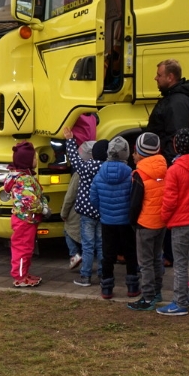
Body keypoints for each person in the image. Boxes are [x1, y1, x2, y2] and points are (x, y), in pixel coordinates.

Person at [157, 128, 189, 316]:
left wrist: (164, 217)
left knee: (180, 263)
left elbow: (170, 200)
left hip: (180, 222)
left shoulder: (175, 170)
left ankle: (179, 302)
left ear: (177, 145)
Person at [90, 136, 140, 299]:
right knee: (130, 253)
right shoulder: (131, 174)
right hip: (126, 222)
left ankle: (107, 288)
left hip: (107, 221)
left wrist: (104, 210)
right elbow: (134, 198)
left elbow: (93, 198)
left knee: (108, 255)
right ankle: (132, 286)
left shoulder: (100, 174)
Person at [127, 133, 169, 311]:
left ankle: (147, 297)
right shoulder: (165, 167)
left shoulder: (140, 174)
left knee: (145, 263)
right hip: (161, 221)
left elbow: (135, 202)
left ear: (139, 151)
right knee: (156, 259)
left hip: (145, 223)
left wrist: (132, 221)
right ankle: (157, 292)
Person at [65, 123, 105, 288]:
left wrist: (70, 140)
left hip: (86, 214)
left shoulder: (85, 167)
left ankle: (86, 277)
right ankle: (104, 275)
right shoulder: (107, 167)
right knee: (101, 245)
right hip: (103, 212)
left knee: (88, 246)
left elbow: (74, 158)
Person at [3, 141, 46, 288]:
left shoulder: (22, 177)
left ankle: (24, 273)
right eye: (34, 158)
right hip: (25, 221)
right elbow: (30, 200)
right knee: (23, 248)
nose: (36, 160)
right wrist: (42, 208)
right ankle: (20, 277)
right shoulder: (24, 179)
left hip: (26, 220)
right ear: (27, 161)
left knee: (26, 248)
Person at [146, 59, 189, 163]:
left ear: (170, 77)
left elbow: (175, 139)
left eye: (159, 75)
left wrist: (166, 165)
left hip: (169, 164)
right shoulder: (172, 99)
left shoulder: (177, 103)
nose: (156, 78)